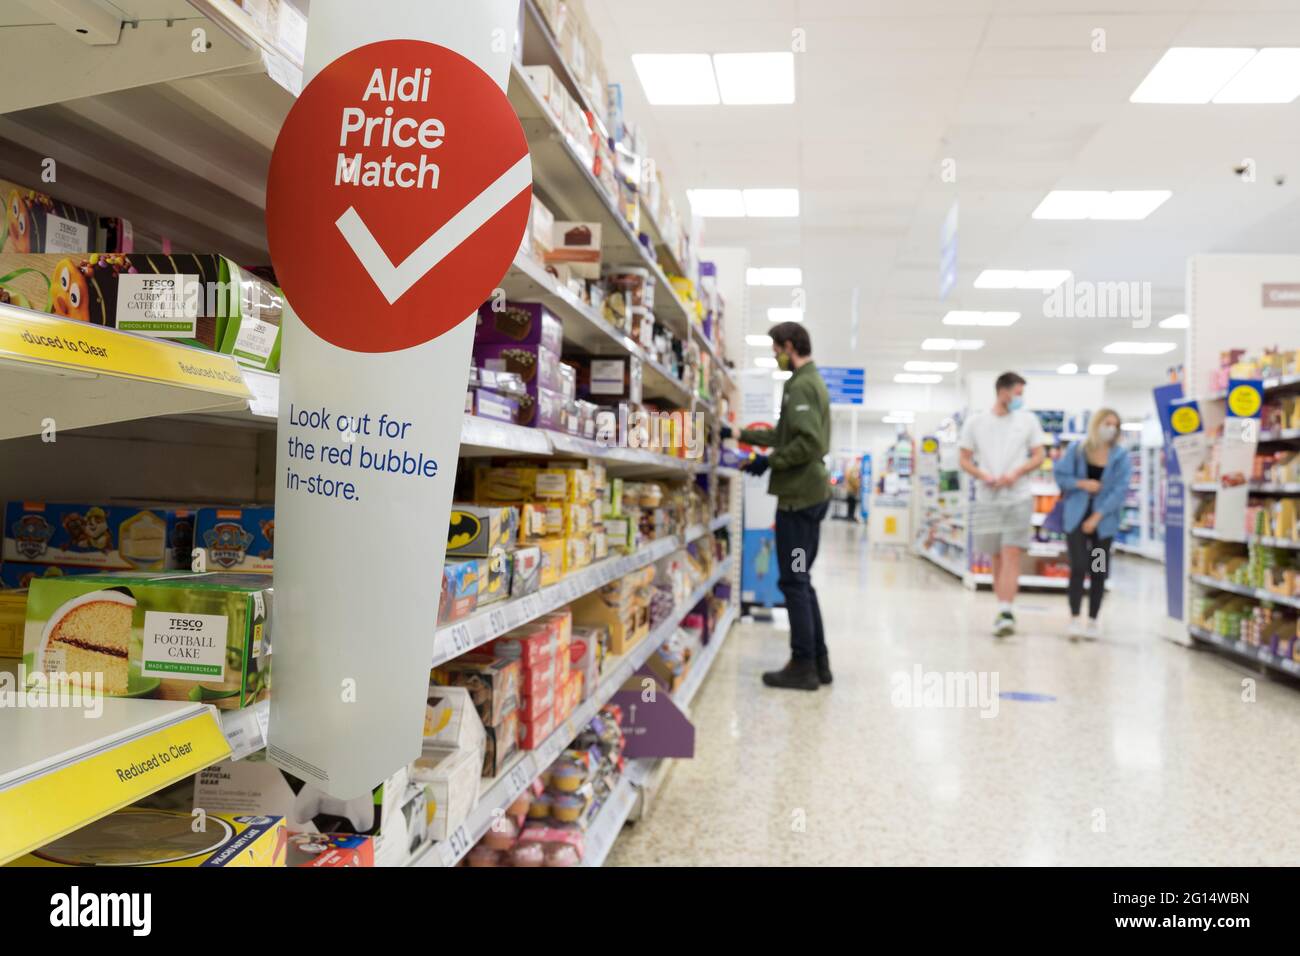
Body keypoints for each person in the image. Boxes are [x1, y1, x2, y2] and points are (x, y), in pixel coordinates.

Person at [720, 321, 831, 690]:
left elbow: (808, 443)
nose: (775, 357)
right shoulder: (807, 383)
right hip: (807, 497)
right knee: (802, 581)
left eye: (775, 350)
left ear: (788, 345)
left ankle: (803, 666)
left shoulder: (801, 385)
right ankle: (818, 661)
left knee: (794, 580)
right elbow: (785, 436)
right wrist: (738, 434)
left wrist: (771, 462)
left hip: (799, 503)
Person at [958, 372, 1048, 637]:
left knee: (1011, 552)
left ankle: (1007, 609)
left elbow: (1039, 455)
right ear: (1003, 391)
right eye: (1017, 393)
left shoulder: (1028, 421)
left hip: (1018, 496)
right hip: (987, 498)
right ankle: (1002, 606)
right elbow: (964, 459)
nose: (1020, 399)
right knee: (996, 555)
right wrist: (983, 475)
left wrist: (1016, 473)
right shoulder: (976, 423)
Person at [1053, 408, 1130, 641]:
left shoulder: (1120, 456)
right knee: (1077, 567)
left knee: (1098, 570)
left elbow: (1120, 490)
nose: (1111, 428)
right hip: (1076, 519)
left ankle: (1094, 619)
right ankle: (1075, 617)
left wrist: (1097, 516)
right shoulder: (1078, 450)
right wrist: (1082, 484)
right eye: (1107, 423)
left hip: (1103, 524)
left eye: (1115, 425)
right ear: (1097, 424)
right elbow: (1061, 476)